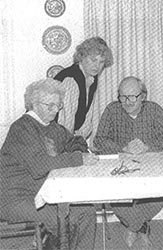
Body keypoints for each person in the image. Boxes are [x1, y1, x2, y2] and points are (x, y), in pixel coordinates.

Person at [0, 79, 99, 249]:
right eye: (50, 105)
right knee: (62, 220)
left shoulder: (52, 127)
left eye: (58, 105)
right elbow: (39, 166)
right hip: (16, 198)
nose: (55, 110)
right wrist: (78, 158)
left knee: (87, 211)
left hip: (44, 193)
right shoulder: (22, 128)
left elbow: (75, 140)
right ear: (34, 104)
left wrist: (78, 149)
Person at [93, 76, 163, 248]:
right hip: (120, 167)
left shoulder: (154, 109)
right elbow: (98, 141)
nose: (127, 101)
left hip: (150, 165)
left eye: (132, 97)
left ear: (143, 96)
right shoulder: (111, 110)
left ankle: (133, 226)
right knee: (115, 194)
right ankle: (142, 227)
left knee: (157, 194)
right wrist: (123, 147)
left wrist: (148, 146)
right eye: (123, 97)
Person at [54, 36, 113, 140]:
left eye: (101, 62)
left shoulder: (91, 78)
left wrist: (79, 140)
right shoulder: (71, 80)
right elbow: (65, 122)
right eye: (93, 60)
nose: (97, 66)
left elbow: (87, 118)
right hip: (52, 137)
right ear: (82, 57)